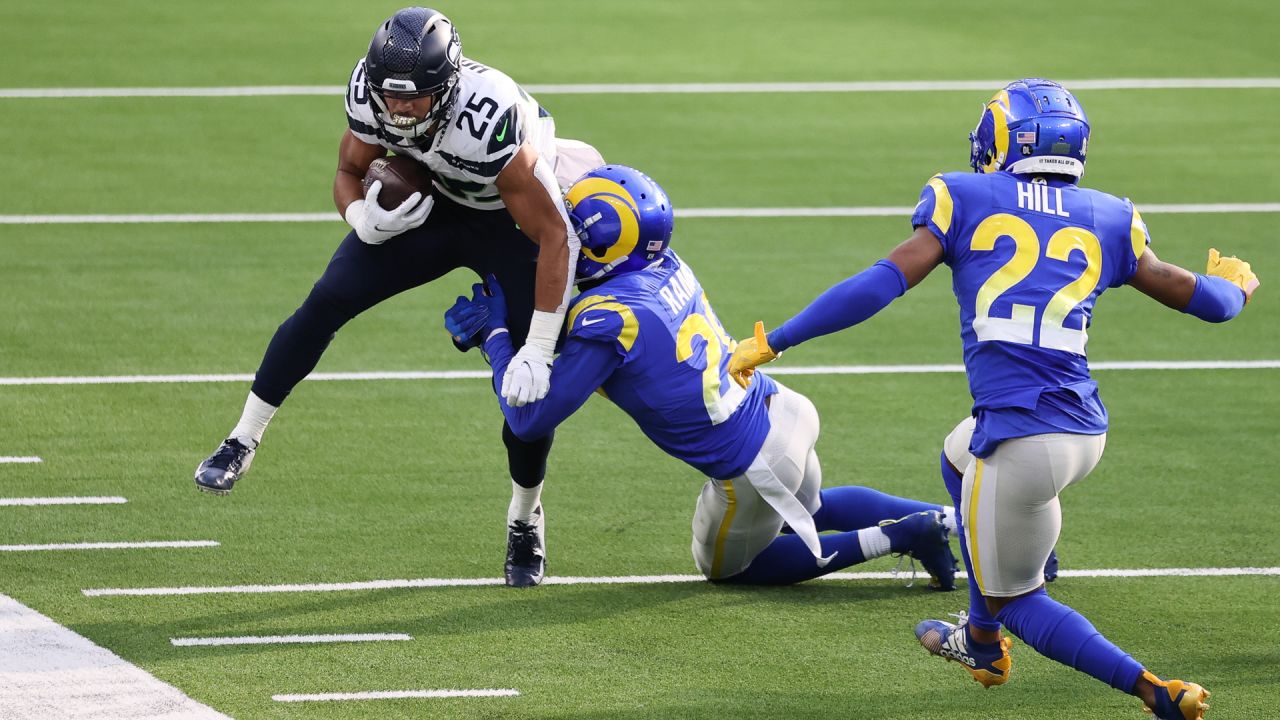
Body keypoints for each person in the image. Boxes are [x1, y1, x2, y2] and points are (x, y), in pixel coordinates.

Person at [727, 78, 1259, 719]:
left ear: (1002, 138)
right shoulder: (1111, 215)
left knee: (1020, 601)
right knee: (956, 457)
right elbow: (1206, 300)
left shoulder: (965, 195)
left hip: (1023, 439)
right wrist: (1234, 289)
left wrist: (777, 340)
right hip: (1082, 429)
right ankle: (979, 639)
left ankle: (1155, 691)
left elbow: (881, 282)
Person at [193, 7, 602, 587]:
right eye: (390, 97)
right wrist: (359, 214)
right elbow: (347, 168)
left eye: (415, 99)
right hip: (432, 209)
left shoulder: (491, 116)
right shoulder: (371, 94)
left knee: (529, 397)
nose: (400, 110)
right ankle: (242, 438)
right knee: (326, 300)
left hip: (507, 220)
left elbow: (553, 233)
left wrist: (537, 346)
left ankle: (524, 516)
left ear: (449, 87)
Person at [445, 164, 961, 589]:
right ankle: (966, 524)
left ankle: (906, 535)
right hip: (781, 409)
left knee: (729, 568)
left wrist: (496, 341)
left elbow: (530, 418)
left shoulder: (609, 319)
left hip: (753, 463)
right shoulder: (662, 262)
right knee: (815, 507)